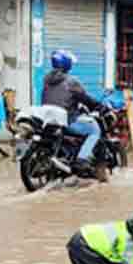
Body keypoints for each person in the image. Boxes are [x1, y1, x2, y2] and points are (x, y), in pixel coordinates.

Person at [41, 49, 103, 179]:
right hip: (67, 120)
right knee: (95, 130)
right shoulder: (71, 81)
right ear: (67, 64)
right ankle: (82, 158)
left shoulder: (46, 80)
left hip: (49, 120)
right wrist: (98, 106)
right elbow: (85, 98)